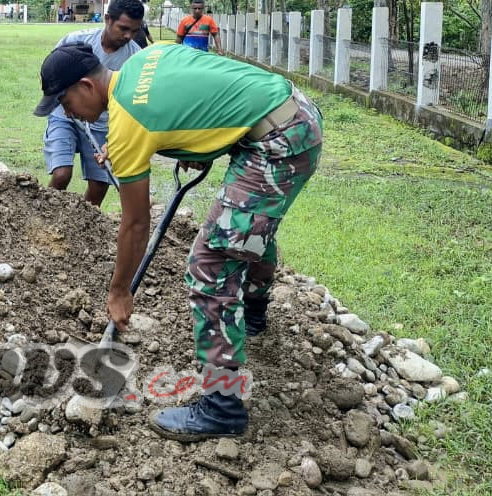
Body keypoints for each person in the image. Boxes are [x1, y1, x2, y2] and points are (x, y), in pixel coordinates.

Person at [33, 41, 322, 441]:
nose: (68, 113)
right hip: (291, 110)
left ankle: (223, 408)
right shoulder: (145, 61)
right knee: (247, 227)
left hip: (277, 142)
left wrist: (119, 291)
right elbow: (205, 91)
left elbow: (135, 222)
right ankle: (253, 314)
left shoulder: (126, 122)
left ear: (85, 86)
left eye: (65, 102)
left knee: (212, 264)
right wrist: (195, 145)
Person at [42, 0, 143, 207]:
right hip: (65, 114)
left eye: (134, 31)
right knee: (62, 174)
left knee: (99, 185)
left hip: (102, 123)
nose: (128, 36)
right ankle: (45, 221)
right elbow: (52, 75)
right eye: (123, 28)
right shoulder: (75, 41)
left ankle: (82, 229)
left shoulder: (136, 59)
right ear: (107, 19)